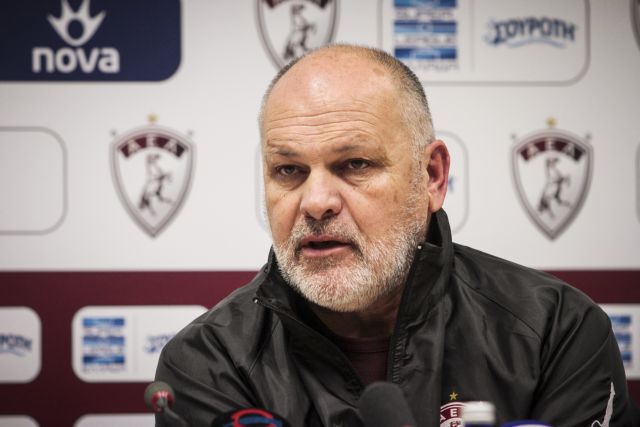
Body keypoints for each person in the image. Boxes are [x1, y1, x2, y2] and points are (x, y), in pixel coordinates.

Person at [155, 44, 636, 426]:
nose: (316, 201)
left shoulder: (556, 332)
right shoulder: (208, 362)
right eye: (288, 170)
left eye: (355, 164)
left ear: (431, 176)